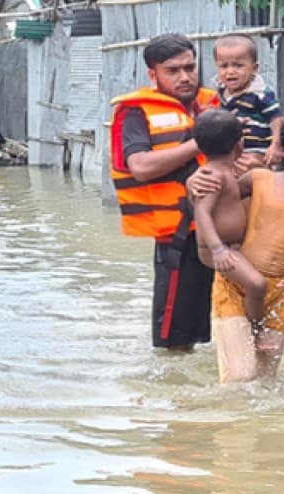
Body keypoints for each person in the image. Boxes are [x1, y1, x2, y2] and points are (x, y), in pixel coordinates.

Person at [188, 113, 284, 383]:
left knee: (263, 382)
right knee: (239, 378)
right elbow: (219, 198)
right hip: (236, 286)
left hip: (279, 296)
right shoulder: (258, 179)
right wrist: (193, 184)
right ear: (282, 149)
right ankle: (224, 424)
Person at [108, 34, 221, 351]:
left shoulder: (214, 103)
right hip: (179, 236)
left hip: (222, 228)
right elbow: (141, 167)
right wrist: (201, 142)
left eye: (190, 67)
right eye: (173, 70)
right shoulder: (137, 113)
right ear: (152, 74)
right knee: (175, 339)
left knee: (225, 321)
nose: (185, 77)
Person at [188, 108, 271, 348]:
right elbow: (201, 212)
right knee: (257, 284)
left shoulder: (226, 172)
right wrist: (218, 250)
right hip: (217, 248)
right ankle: (256, 331)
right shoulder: (212, 175)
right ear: (240, 145)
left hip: (228, 246)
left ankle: (251, 324)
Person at [214, 33, 284, 170]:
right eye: (224, 66)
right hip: (230, 156)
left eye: (239, 66)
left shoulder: (260, 94)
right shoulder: (218, 95)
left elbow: (277, 119)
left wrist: (276, 145)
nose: (231, 72)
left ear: (254, 68)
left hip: (257, 156)